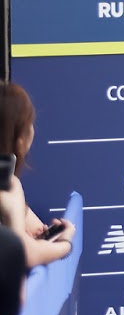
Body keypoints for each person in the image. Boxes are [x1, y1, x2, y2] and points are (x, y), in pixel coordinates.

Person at [0, 84, 76, 271]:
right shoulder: (9, 187)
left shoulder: (9, 184)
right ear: (19, 138)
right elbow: (24, 254)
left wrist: (41, 240)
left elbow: (32, 231)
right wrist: (65, 244)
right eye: (30, 123)